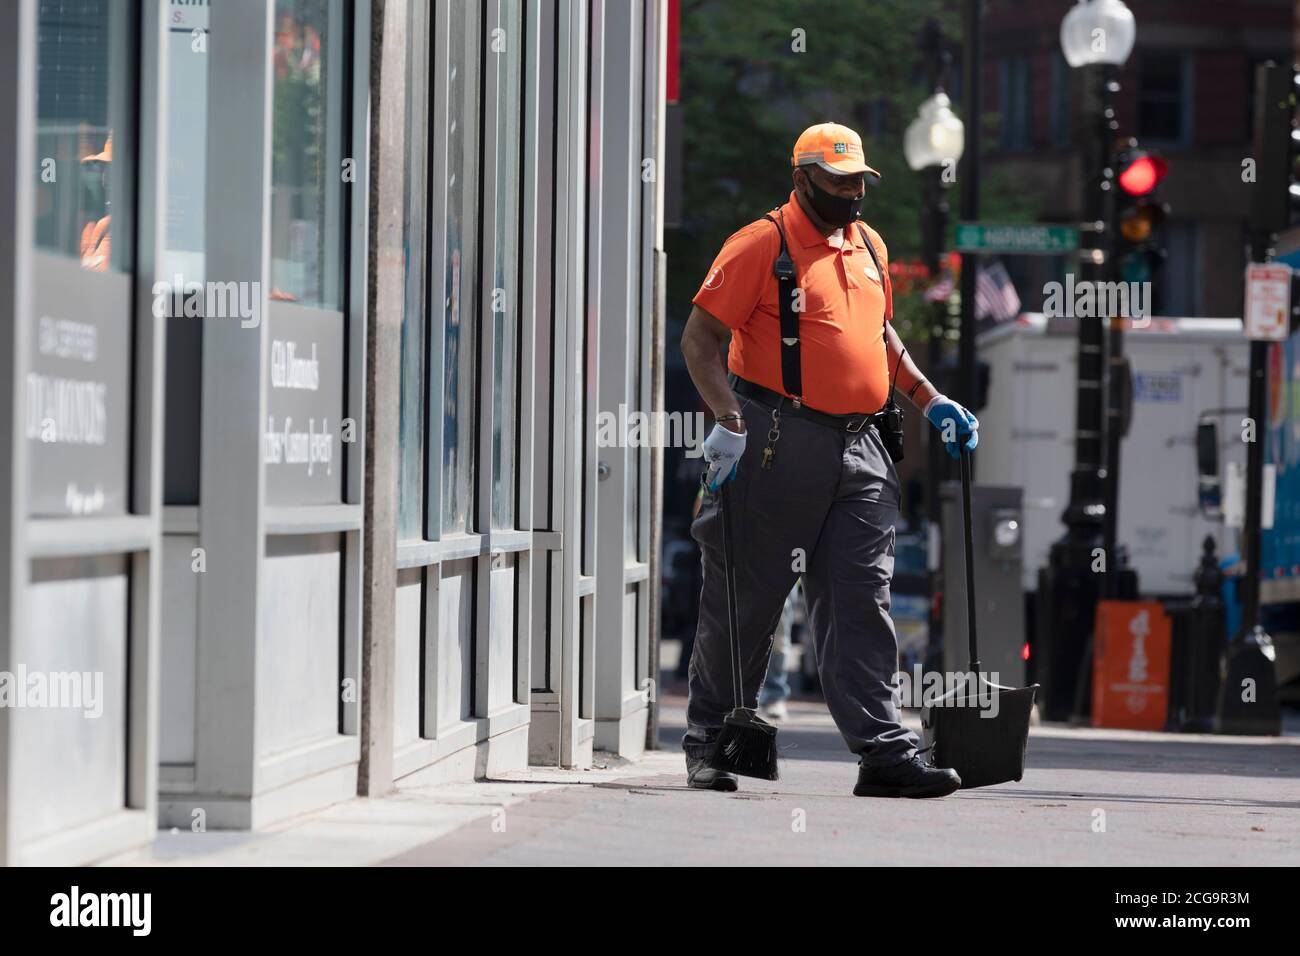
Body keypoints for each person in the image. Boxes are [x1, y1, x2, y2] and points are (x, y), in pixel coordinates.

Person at [679, 122, 978, 798]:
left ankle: (884, 753)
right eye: (838, 181)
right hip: (776, 440)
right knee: (746, 602)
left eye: (858, 181)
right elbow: (700, 338)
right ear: (802, 180)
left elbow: (876, 335)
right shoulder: (762, 243)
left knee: (860, 599)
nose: (851, 194)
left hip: (865, 446)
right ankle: (709, 745)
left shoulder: (869, 243)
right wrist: (728, 421)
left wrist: (931, 400)